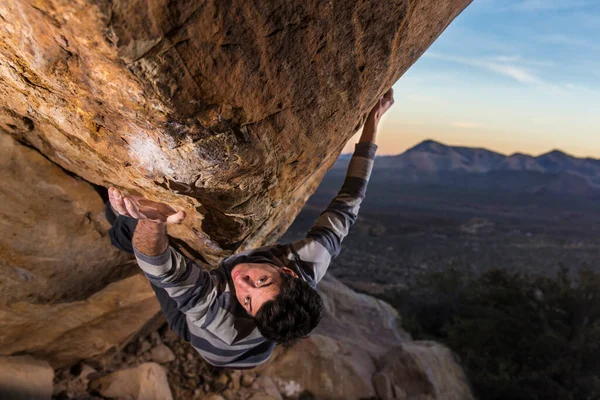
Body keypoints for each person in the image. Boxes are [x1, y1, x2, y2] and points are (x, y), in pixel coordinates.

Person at [107, 89, 395, 368]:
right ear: (289, 272)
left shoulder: (214, 311)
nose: (242, 280)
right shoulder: (310, 263)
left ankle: (114, 229)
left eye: (246, 300)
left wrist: (152, 220)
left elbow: (160, 266)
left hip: (203, 337)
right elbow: (349, 202)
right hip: (258, 350)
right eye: (261, 282)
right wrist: (372, 126)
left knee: (131, 226)